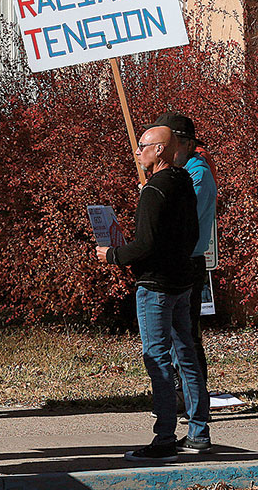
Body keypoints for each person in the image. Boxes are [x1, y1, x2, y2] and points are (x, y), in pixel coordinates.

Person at [95, 126, 211, 462]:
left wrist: (112, 255)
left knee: (157, 358)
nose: (137, 152)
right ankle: (199, 432)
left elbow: (145, 245)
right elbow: (190, 235)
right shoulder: (184, 182)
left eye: (143, 146)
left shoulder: (155, 190)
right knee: (186, 354)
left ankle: (164, 438)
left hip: (156, 285)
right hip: (181, 280)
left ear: (160, 150)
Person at [150, 113, 217, 390]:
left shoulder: (196, 175)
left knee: (185, 336)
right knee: (177, 334)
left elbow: (179, 217)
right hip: (177, 260)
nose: (165, 150)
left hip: (187, 261)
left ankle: (191, 395)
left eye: (171, 142)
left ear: (187, 144)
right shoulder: (179, 174)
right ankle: (185, 394)